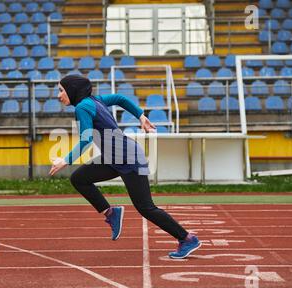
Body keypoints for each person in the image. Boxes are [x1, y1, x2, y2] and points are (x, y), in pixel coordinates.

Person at [49, 75, 200, 259]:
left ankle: (187, 238)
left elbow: (86, 138)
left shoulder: (82, 107)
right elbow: (120, 98)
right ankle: (111, 212)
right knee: (79, 179)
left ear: (72, 90)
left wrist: (65, 159)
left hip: (127, 158)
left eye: (61, 90)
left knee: (146, 207)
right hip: (114, 158)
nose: (59, 95)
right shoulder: (95, 100)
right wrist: (141, 115)